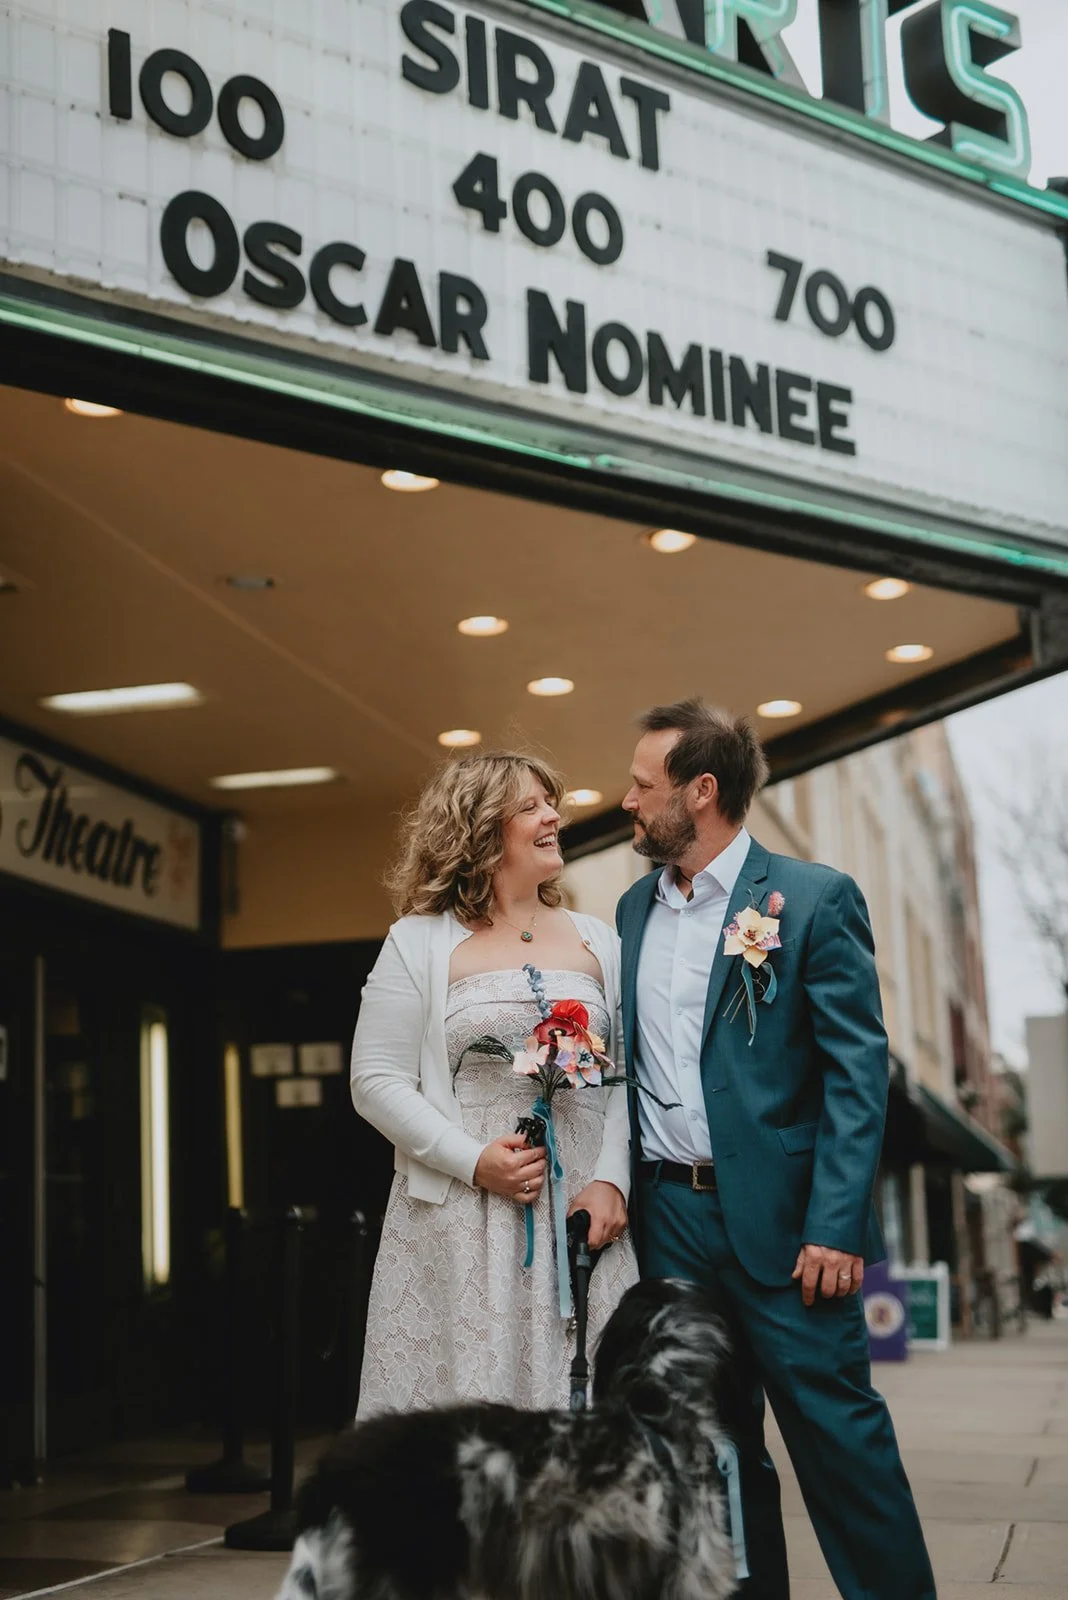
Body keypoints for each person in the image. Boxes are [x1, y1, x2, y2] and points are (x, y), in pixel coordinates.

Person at [616, 698, 935, 1600]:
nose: (628, 801)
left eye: (645, 784)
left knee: (843, 1448)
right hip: (671, 1225)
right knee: (713, 1458)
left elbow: (854, 1076)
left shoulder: (815, 899)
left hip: (796, 1236)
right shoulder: (633, 909)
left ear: (701, 791)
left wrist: (835, 1227)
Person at [351, 751, 637, 1416]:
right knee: (467, 1420)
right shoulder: (418, 943)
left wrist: (612, 1180)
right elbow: (375, 1079)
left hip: (580, 1212)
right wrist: (473, 1161)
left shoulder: (600, 941)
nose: (553, 816)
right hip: (461, 1217)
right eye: (532, 805)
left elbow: (625, 1075)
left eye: (551, 802)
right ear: (482, 828)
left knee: (591, 1414)